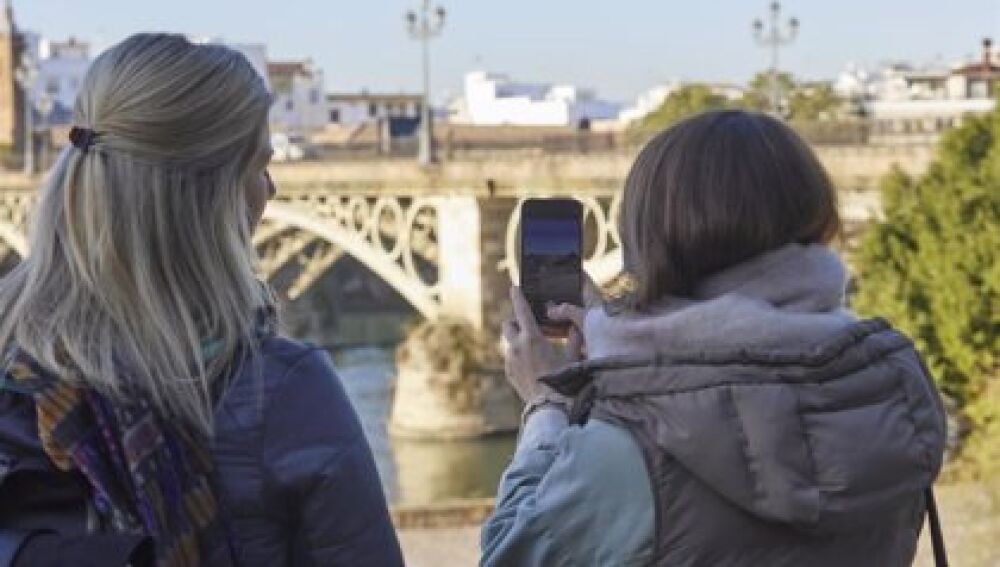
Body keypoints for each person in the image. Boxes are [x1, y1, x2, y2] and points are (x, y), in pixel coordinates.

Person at [0, 33, 403, 566]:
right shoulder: (284, 390)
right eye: (259, 165)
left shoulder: (13, 363)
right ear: (211, 198)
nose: (272, 189)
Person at [482, 110, 947, 566]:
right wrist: (617, 354)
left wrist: (547, 404)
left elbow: (509, 555)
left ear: (648, 235)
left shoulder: (628, 452)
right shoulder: (894, 386)